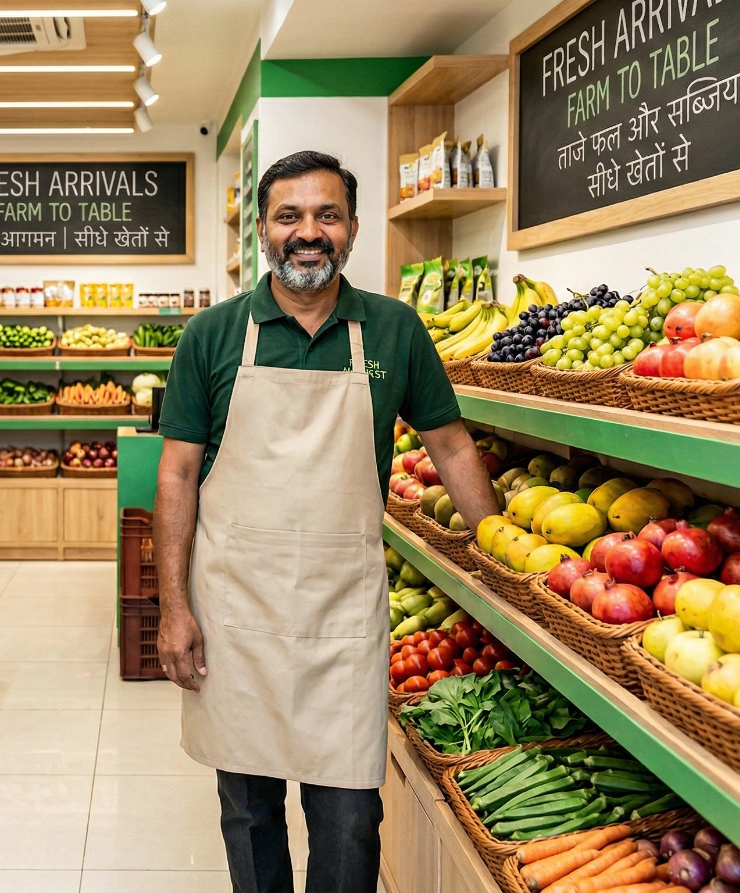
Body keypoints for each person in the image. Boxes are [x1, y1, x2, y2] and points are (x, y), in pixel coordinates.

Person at [153, 151, 500, 893]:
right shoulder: (212, 335)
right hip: (235, 609)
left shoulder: (394, 329)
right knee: (248, 811)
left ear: (352, 228)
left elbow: (450, 445)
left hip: (342, 611)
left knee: (348, 815)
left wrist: (506, 560)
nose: (308, 232)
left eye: (326, 215)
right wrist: (174, 607)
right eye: (289, 216)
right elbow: (177, 474)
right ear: (263, 231)